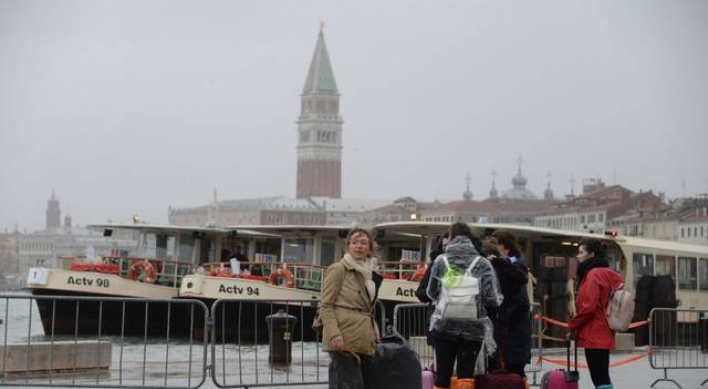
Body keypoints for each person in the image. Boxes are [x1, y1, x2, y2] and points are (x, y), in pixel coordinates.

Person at [427, 222, 503, 389]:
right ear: (470, 238)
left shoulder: (441, 261)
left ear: (451, 238)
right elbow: (492, 298)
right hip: (473, 327)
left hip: (444, 325)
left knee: (443, 375)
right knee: (466, 375)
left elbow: (431, 292)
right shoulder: (482, 263)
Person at [318, 228, 382, 389]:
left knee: (347, 384)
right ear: (348, 246)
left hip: (361, 337)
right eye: (354, 242)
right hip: (342, 336)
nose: (358, 246)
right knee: (353, 385)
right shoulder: (339, 269)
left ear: (370, 248)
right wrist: (334, 335)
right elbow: (326, 305)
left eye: (363, 243)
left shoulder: (369, 274)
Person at [568, 238, 623, 389]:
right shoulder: (608, 272)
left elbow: (588, 307)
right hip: (605, 329)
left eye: (581, 252)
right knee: (603, 374)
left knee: (598, 376)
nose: (578, 256)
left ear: (591, 254)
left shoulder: (592, 275)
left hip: (594, 332)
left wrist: (572, 324)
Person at [488, 229, 531, 378]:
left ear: (505, 246)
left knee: (514, 374)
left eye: (496, 244)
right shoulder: (506, 265)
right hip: (511, 334)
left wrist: (502, 319)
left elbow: (522, 303)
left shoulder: (515, 267)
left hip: (514, 334)